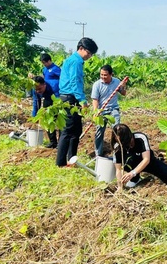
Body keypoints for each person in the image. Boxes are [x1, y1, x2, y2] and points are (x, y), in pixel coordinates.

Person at [56, 37, 98, 167]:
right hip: (70, 98)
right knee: (68, 131)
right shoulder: (76, 62)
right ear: (81, 48)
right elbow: (75, 82)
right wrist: (82, 100)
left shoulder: (74, 60)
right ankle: (61, 163)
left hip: (70, 97)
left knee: (76, 130)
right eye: (89, 53)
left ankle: (71, 159)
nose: (89, 56)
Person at [111, 123, 167, 193]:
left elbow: (146, 159)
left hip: (149, 163)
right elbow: (118, 169)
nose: (120, 143)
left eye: (122, 141)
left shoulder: (140, 138)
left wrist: (133, 173)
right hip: (131, 164)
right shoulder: (117, 147)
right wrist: (120, 187)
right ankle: (135, 179)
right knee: (130, 168)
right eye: (117, 140)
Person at [92, 64, 126, 156]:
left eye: (105, 75)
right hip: (101, 111)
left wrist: (123, 86)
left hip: (113, 109)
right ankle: (98, 153)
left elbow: (123, 93)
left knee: (117, 129)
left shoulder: (116, 82)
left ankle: (118, 151)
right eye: (101, 74)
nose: (103, 77)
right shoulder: (97, 84)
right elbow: (95, 100)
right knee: (99, 132)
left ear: (111, 74)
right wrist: (96, 111)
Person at [31, 76, 58, 149]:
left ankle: (61, 143)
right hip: (47, 97)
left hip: (57, 97)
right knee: (47, 119)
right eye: (36, 89)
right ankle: (53, 142)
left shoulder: (54, 86)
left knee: (59, 119)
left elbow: (58, 101)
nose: (38, 91)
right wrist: (34, 116)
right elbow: (36, 102)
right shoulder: (35, 89)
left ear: (44, 84)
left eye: (39, 89)